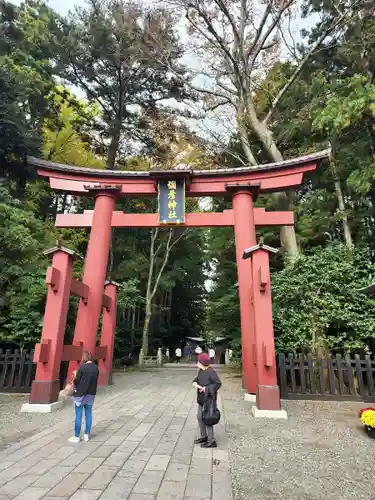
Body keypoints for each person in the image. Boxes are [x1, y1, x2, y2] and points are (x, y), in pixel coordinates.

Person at [69, 351, 99, 443]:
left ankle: (76, 436)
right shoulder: (96, 368)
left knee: (78, 415)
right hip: (91, 394)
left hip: (80, 394)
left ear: (84, 358)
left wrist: (74, 375)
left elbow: (77, 381)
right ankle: (86, 435)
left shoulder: (82, 368)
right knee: (88, 414)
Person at [192, 353, 221, 448]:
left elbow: (217, 384)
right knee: (199, 417)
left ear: (201, 363)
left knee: (207, 418)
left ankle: (211, 440)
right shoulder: (201, 371)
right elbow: (197, 379)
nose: (197, 363)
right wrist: (195, 382)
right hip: (201, 399)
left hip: (208, 400)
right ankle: (204, 436)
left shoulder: (211, 372)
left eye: (198, 361)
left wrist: (206, 389)